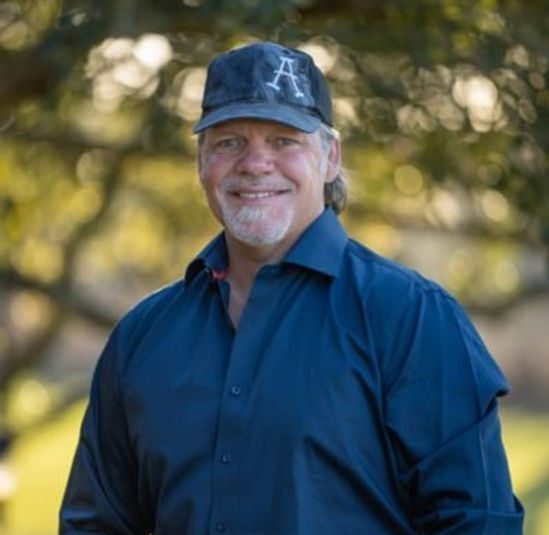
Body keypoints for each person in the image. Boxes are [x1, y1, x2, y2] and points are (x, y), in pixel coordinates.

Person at [60, 41, 524, 534]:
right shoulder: (142, 338)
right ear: (202, 162)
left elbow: (477, 524)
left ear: (330, 158)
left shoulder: (411, 318)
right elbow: (95, 525)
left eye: (284, 140)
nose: (255, 163)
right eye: (228, 141)